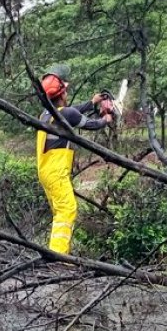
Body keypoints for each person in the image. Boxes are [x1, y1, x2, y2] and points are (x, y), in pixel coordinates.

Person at [35, 65, 112, 254]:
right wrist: (106, 119)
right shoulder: (66, 114)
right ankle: (58, 256)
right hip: (57, 172)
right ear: (61, 93)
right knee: (67, 209)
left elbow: (71, 111)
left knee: (59, 213)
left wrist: (92, 102)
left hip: (45, 172)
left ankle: (57, 253)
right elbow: (91, 124)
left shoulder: (47, 115)